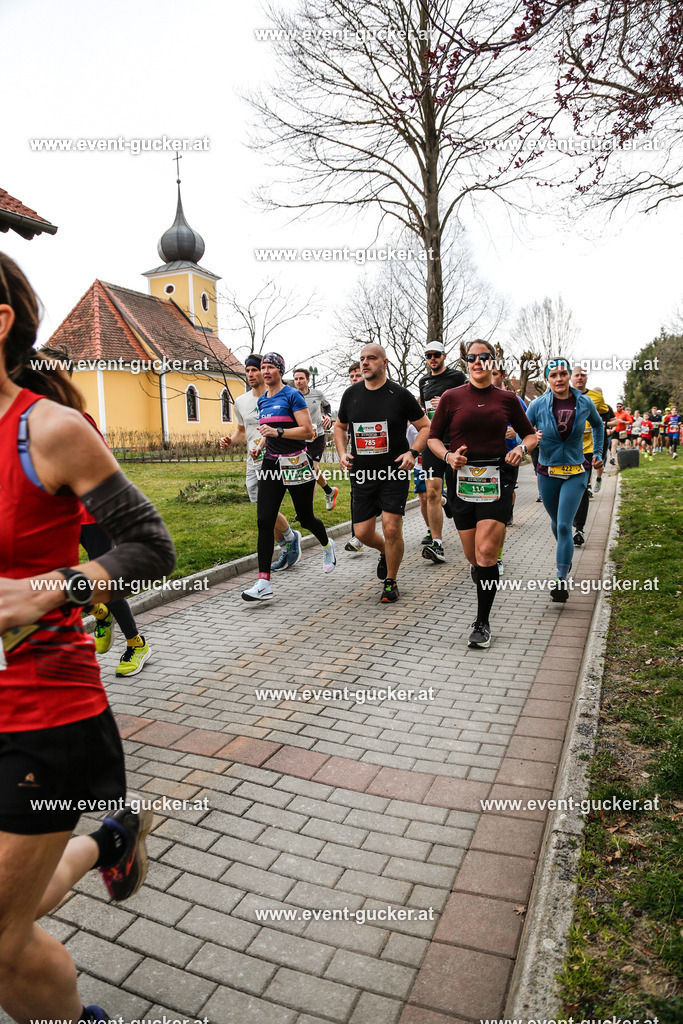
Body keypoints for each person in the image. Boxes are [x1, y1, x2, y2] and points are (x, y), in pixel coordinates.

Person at [0, 253, 176, 1024]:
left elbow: (150, 544)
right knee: (17, 899)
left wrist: (53, 586)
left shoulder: (48, 429)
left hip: (41, 713)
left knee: (0, 937)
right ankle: (109, 841)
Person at [428, 339, 537, 648]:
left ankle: (482, 621)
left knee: (487, 552)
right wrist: (448, 456)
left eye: (484, 357)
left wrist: (521, 448)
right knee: (474, 557)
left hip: (497, 478)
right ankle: (484, 574)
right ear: (466, 363)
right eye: (472, 357)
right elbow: (433, 438)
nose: (478, 362)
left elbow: (529, 434)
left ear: (493, 361)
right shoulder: (451, 397)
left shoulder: (507, 399)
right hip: (462, 481)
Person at [335, 344, 430, 603]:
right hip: (362, 474)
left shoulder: (399, 395)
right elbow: (340, 427)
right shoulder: (351, 394)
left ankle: (391, 581)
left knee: (391, 528)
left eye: (371, 359)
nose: (365, 363)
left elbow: (425, 427)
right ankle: (385, 552)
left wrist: (412, 452)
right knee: (363, 533)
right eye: (362, 359)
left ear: (384, 362)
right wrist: (343, 452)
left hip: (393, 472)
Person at [241, 352, 335, 601]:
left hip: (295, 462)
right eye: (263, 367)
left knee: (305, 518)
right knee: (264, 520)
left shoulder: (292, 395)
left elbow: (307, 431)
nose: (266, 371)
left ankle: (327, 545)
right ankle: (263, 582)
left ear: (280, 370)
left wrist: (278, 431)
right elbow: (265, 431)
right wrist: (260, 445)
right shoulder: (262, 400)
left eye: (271, 366)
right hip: (271, 464)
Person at [526, 358, 604, 602]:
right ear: (547, 379)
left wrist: (599, 454)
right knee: (555, 522)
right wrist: (530, 438)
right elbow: (523, 429)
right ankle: (565, 555)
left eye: (562, 374)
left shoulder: (584, 402)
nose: (558, 379)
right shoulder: (538, 404)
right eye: (553, 375)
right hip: (547, 471)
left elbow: (599, 426)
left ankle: (561, 580)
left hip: (576, 471)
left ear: (569, 375)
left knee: (563, 525)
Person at [221, 356, 304, 573]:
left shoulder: (282, 396)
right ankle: (289, 539)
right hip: (254, 460)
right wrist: (230, 440)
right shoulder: (241, 401)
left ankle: (287, 542)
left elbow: (301, 427)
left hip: (281, 458)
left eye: (255, 369)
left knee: (266, 511)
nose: (251, 374)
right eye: (247, 370)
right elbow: (241, 431)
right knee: (261, 507)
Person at [417, 342, 466, 563]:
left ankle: (459, 518)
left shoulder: (457, 377)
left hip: (454, 442)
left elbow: (469, 403)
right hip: (432, 442)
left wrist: (448, 402)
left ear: (444, 355)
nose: (432, 359)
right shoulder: (423, 381)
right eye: (428, 356)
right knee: (432, 492)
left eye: (436, 355)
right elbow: (424, 411)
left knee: (458, 495)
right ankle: (437, 544)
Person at [569, 365, 609, 546]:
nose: (579, 378)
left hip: (587, 449)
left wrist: (599, 451)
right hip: (568, 449)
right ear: (571, 378)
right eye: (576, 375)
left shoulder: (596, 397)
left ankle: (579, 528)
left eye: (582, 375)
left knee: (582, 487)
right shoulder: (561, 395)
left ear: (586, 378)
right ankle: (565, 521)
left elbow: (599, 422)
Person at [292, 368, 338, 510]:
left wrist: (328, 416)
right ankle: (329, 491)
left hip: (317, 436)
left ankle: (306, 510)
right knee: (304, 472)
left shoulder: (317, 394)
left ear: (308, 380)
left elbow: (327, 405)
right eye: (296, 379)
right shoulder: (291, 395)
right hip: (300, 438)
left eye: (301, 378)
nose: (298, 381)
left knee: (312, 470)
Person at [344, 361, 365, 553]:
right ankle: (357, 536)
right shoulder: (349, 398)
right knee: (355, 496)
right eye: (351, 376)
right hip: (356, 457)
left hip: (383, 462)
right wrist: (344, 452)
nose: (354, 379)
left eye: (357, 375)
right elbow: (343, 428)